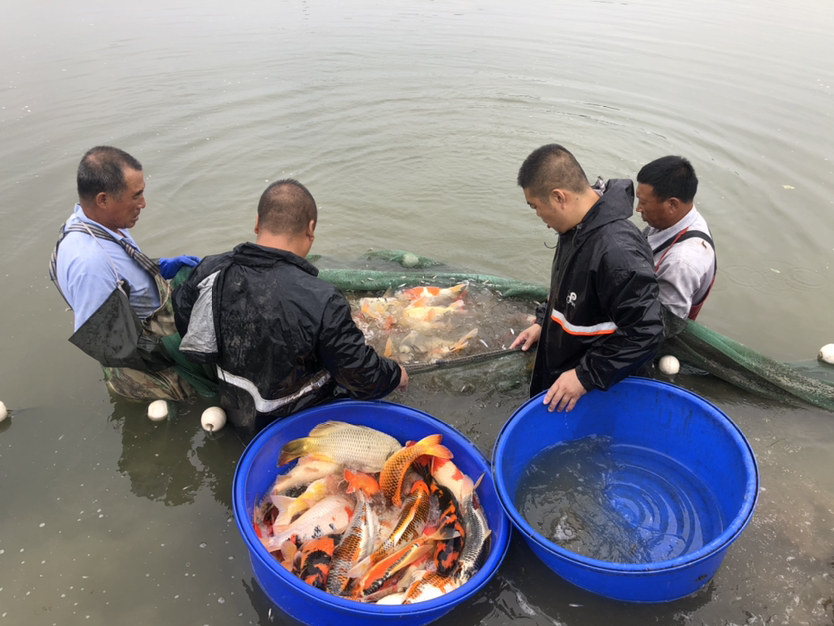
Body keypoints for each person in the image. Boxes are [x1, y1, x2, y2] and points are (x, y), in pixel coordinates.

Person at [172, 179, 408, 441]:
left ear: (257, 223)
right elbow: (362, 377)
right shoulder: (322, 298)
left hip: (239, 410)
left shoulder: (209, 272)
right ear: (311, 229)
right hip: (301, 424)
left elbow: (187, 324)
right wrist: (396, 374)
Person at [510, 143, 664, 413]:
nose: (538, 216)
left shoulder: (618, 252)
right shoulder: (575, 228)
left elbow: (646, 332)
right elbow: (565, 289)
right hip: (565, 370)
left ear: (559, 197)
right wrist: (543, 322)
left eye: (535, 206)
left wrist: (585, 376)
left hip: (599, 389)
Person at [49, 146, 201, 401]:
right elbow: (110, 345)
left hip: (139, 322)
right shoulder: (90, 264)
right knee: (200, 392)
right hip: (138, 358)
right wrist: (179, 352)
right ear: (103, 200)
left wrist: (159, 266)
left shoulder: (96, 222)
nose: (143, 203)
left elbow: (119, 271)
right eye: (136, 196)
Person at [636, 155, 716, 324]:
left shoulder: (681, 263)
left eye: (644, 203)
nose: (638, 209)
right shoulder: (677, 218)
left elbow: (662, 325)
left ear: (672, 205)